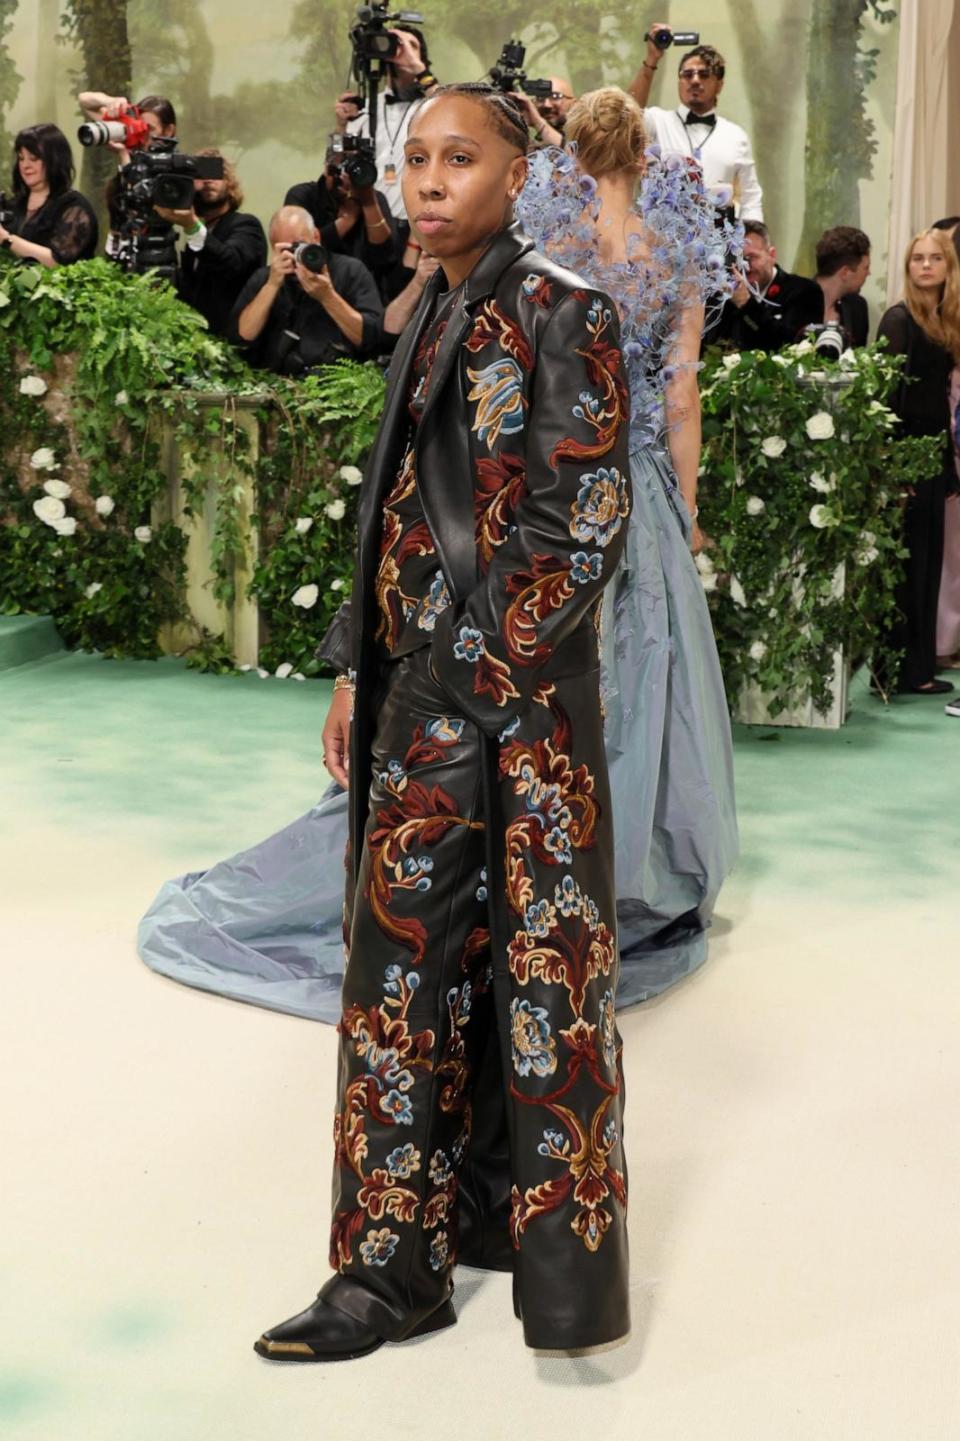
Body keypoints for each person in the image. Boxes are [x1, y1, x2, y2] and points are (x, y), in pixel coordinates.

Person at [250, 82, 632, 1360]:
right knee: (404, 981)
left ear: (517, 176)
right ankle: (401, 1257)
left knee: (504, 980)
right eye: (414, 158)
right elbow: (399, 523)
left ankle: (467, 1259)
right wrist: (363, 676)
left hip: (506, 719)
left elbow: (575, 529)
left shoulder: (565, 311)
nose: (426, 180)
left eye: (457, 157)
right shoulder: (434, 310)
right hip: (421, 703)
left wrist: (449, 688)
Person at [876, 229, 960, 695]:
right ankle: (897, 670)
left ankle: (920, 670)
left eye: (935, 259)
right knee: (905, 567)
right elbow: (887, 397)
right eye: (917, 259)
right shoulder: (899, 319)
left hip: (931, 454)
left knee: (927, 564)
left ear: (948, 266)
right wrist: (889, 467)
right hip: (903, 455)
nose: (925, 266)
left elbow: (939, 404)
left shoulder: (945, 322)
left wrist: (947, 466)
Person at [627, 28, 763, 221]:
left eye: (704, 74)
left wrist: (752, 241)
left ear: (720, 84)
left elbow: (751, 198)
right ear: (679, 81)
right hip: (661, 241)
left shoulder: (735, 136)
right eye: (688, 74)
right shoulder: (657, 121)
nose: (695, 80)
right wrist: (651, 61)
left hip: (718, 244)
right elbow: (628, 112)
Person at [229, 205, 383, 374]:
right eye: (288, 249)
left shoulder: (350, 271)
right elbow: (242, 337)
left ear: (316, 236)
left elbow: (371, 339)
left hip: (338, 384)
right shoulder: (265, 278)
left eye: (300, 245)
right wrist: (272, 285)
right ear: (274, 249)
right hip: (276, 382)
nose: (296, 255)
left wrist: (327, 296)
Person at [150, 149, 266, 338]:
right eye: (200, 176)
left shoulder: (245, 224)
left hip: (233, 343)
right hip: (197, 343)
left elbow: (230, 263)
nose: (208, 180)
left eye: (216, 174)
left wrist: (191, 225)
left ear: (230, 183)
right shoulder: (195, 232)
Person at [337, 26, 438, 226]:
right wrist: (341, 127)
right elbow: (339, 164)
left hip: (417, 228)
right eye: (396, 44)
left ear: (423, 59)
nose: (403, 51)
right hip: (370, 226)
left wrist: (417, 68)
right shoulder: (364, 107)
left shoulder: (432, 106)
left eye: (412, 46)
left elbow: (452, 112)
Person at [284, 141, 400, 294]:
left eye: (353, 169)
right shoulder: (303, 196)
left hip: (362, 293)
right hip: (310, 291)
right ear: (327, 167)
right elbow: (300, 251)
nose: (347, 177)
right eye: (341, 168)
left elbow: (385, 258)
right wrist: (347, 219)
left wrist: (369, 203)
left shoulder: (375, 199)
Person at [715, 219, 823, 351]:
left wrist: (746, 304)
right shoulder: (726, 297)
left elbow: (790, 345)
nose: (746, 267)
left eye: (750, 258)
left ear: (772, 255)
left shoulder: (804, 291)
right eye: (738, 260)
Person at [0, 124, 97, 266]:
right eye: (21, 158)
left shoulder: (74, 207)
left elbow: (57, 262)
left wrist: (6, 240)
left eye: (33, 158)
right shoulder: (15, 204)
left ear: (54, 160)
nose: (25, 165)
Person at [814, 226, 871, 347]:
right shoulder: (794, 302)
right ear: (845, 272)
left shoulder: (857, 308)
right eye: (865, 268)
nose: (868, 273)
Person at [510, 79, 576, 148]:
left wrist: (537, 122)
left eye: (555, 96)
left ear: (573, 103)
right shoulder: (535, 145)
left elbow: (570, 155)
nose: (546, 105)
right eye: (541, 98)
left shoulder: (583, 136)